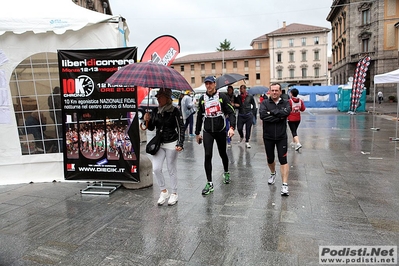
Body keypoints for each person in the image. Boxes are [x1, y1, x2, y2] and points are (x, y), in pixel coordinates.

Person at [195, 76, 236, 195]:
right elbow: (199, 116)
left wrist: (232, 127)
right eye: (206, 84)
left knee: (222, 153)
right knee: (208, 155)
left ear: (214, 84)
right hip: (207, 131)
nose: (208, 86)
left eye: (210, 83)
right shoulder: (202, 98)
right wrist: (197, 133)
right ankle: (209, 183)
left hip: (220, 130)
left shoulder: (222, 97)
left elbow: (231, 112)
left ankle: (226, 172)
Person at [143, 88, 185, 206]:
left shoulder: (174, 111)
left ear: (167, 98)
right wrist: (147, 120)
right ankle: (163, 191)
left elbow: (181, 127)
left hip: (172, 142)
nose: (157, 98)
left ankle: (174, 193)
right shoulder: (156, 110)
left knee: (171, 169)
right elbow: (151, 127)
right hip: (159, 143)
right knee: (156, 169)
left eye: (159, 96)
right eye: (157, 96)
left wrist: (180, 143)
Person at [259, 83, 291, 196]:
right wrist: (279, 117)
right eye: (272, 90)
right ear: (269, 91)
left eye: (276, 90)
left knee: (283, 160)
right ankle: (273, 173)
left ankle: (285, 185)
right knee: (270, 159)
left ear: (280, 91)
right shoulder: (264, 103)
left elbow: (287, 112)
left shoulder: (286, 102)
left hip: (281, 136)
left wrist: (271, 112)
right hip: (268, 136)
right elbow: (263, 116)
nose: (274, 92)